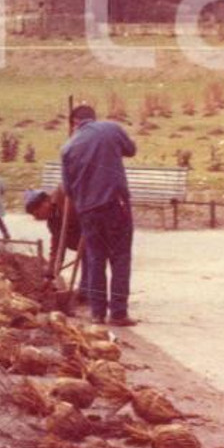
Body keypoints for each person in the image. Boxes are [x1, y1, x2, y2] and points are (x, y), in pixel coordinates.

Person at [58, 103, 138, 326]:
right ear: (93, 117)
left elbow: (68, 189)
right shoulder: (111, 129)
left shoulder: (67, 148)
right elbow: (131, 150)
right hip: (116, 204)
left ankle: (97, 313)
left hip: (88, 211)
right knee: (120, 257)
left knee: (95, 259)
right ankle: (119, 313)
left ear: (74, 123)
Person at [23, 186, 82, 278]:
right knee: (88, 262)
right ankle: (84, 290)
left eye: (37, 213)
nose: (37, 218)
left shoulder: (64, 199)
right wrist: (51, 272)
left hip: (95, 235)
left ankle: (87, 290)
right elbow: (57, 246)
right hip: (84, 247)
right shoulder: (52, 222)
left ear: (45, 202)